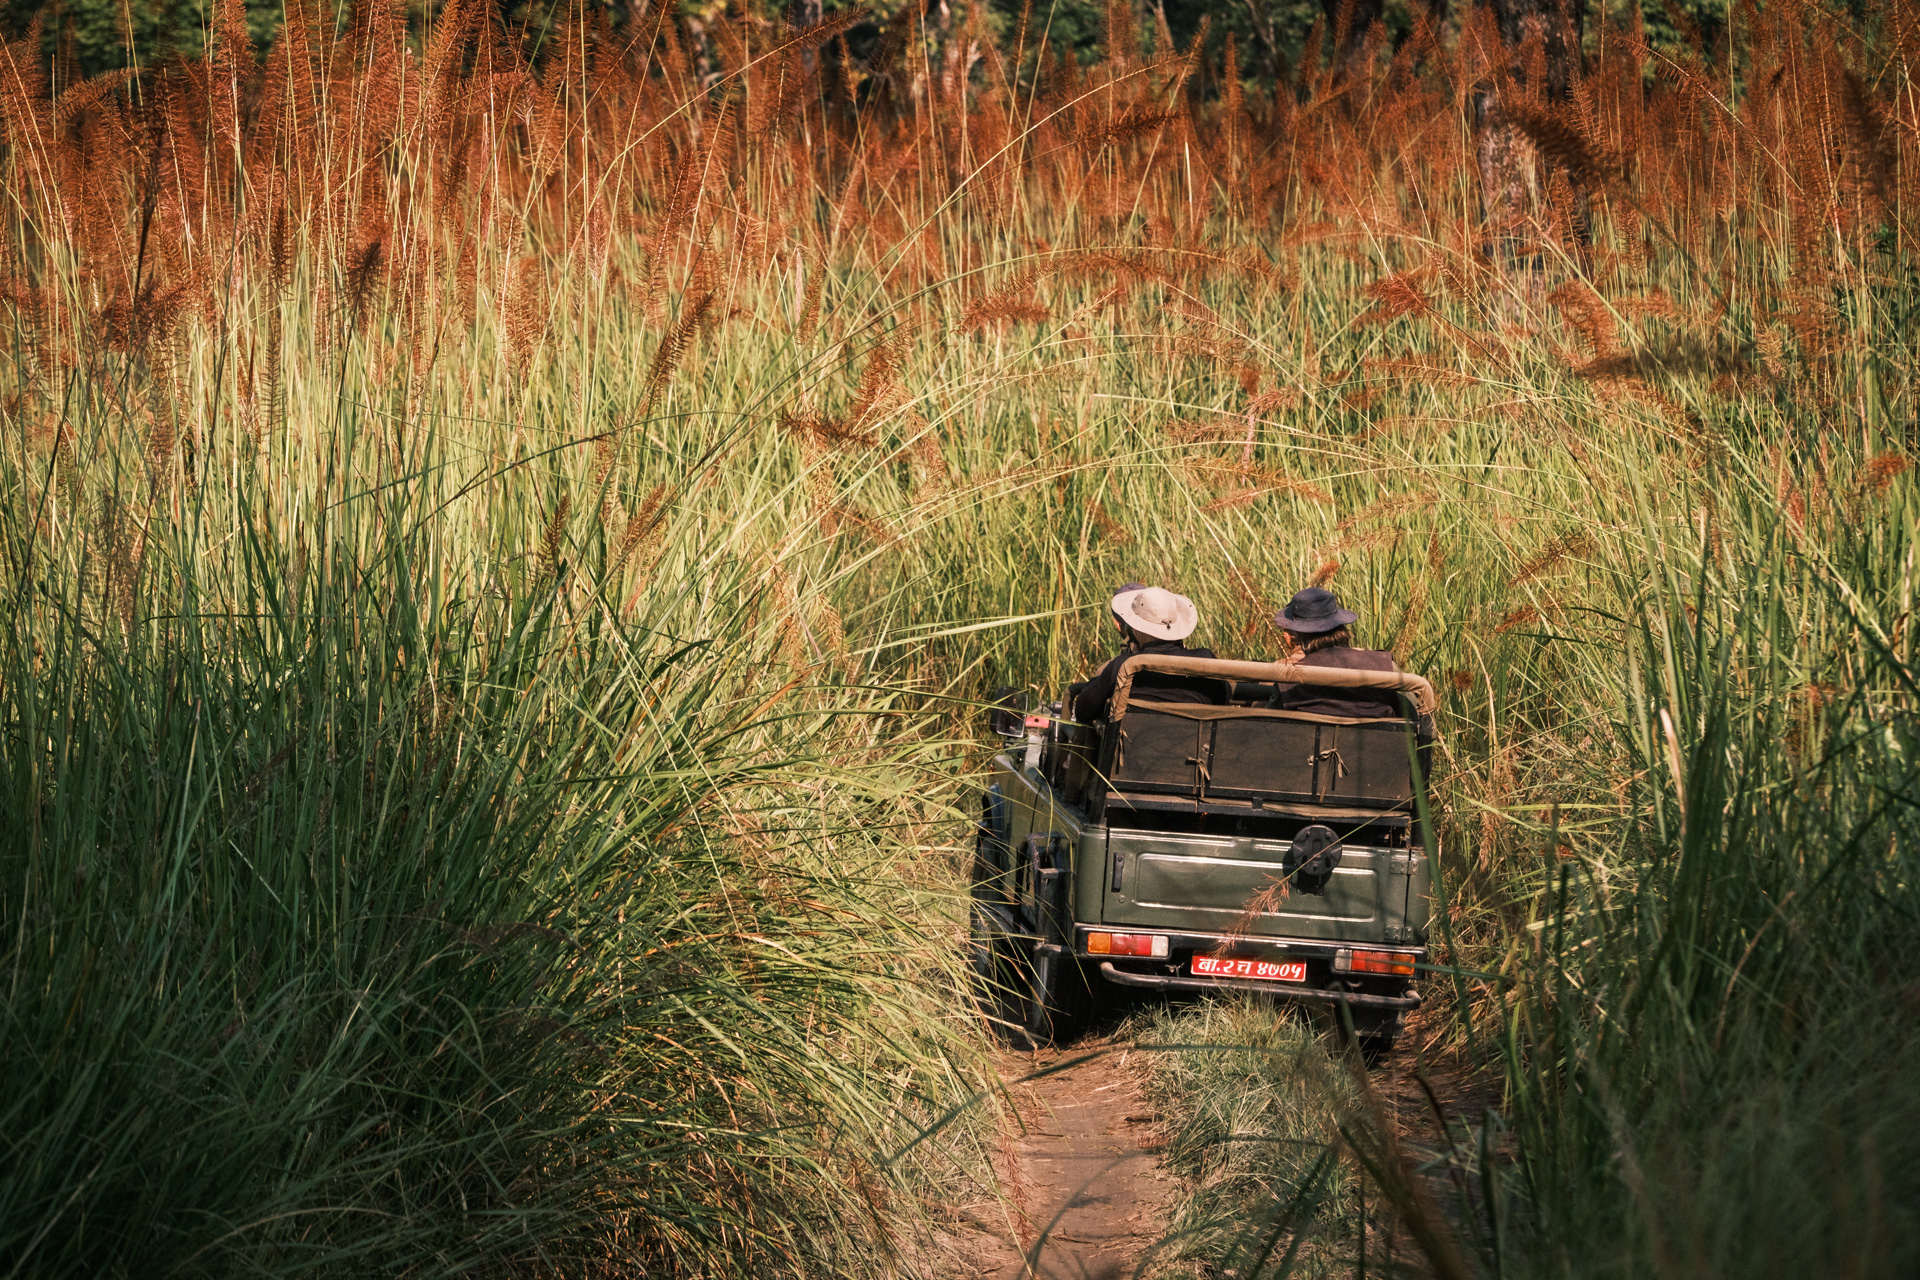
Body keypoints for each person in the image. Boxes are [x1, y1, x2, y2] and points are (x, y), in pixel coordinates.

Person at [1072, 585, 1227, 723]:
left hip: (1132, 754)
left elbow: (1083, 711)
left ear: (1137, 628)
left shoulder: (1124, 667)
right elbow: (1222, 701)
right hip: (1194, 753)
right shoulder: (1206, 661)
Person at [1270, 586, 1405, 719]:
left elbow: (1267, 722)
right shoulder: (1384, 666)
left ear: (1297, 635)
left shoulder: (1287, 679)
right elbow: (1414, 714)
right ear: (1341, 625)